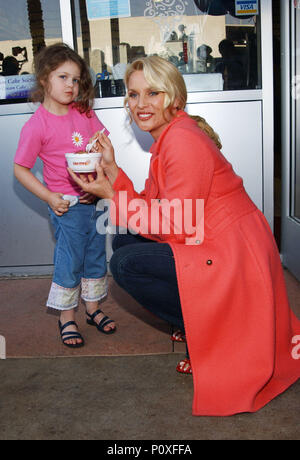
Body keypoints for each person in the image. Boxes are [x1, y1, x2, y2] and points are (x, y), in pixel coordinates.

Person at [68, 55, 300, 416]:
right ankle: (195, 324)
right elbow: (152, 204)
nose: (141, 104)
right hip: (212, 240)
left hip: (233, 253)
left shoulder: (183, 142)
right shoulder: (169, 137)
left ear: (174, 97)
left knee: (127, 263)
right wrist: (113, 172)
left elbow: (176, 223)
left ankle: (208, 330)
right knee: (126, 240)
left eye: (153, 93)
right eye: (133, 95)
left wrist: (111, 196)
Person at [14, 43, 116, 349]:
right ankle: (66, 317)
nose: (70, 85)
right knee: (70, 260)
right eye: (63, 77)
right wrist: (49, 197)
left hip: (93, 200)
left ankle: (93, 309)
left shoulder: (83, 113)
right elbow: (21, 169)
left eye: (75, 79)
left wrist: (98, 180)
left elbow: (102, 146)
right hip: (65, 205)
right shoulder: (37, 126)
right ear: (45, 78)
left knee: (96, 254)